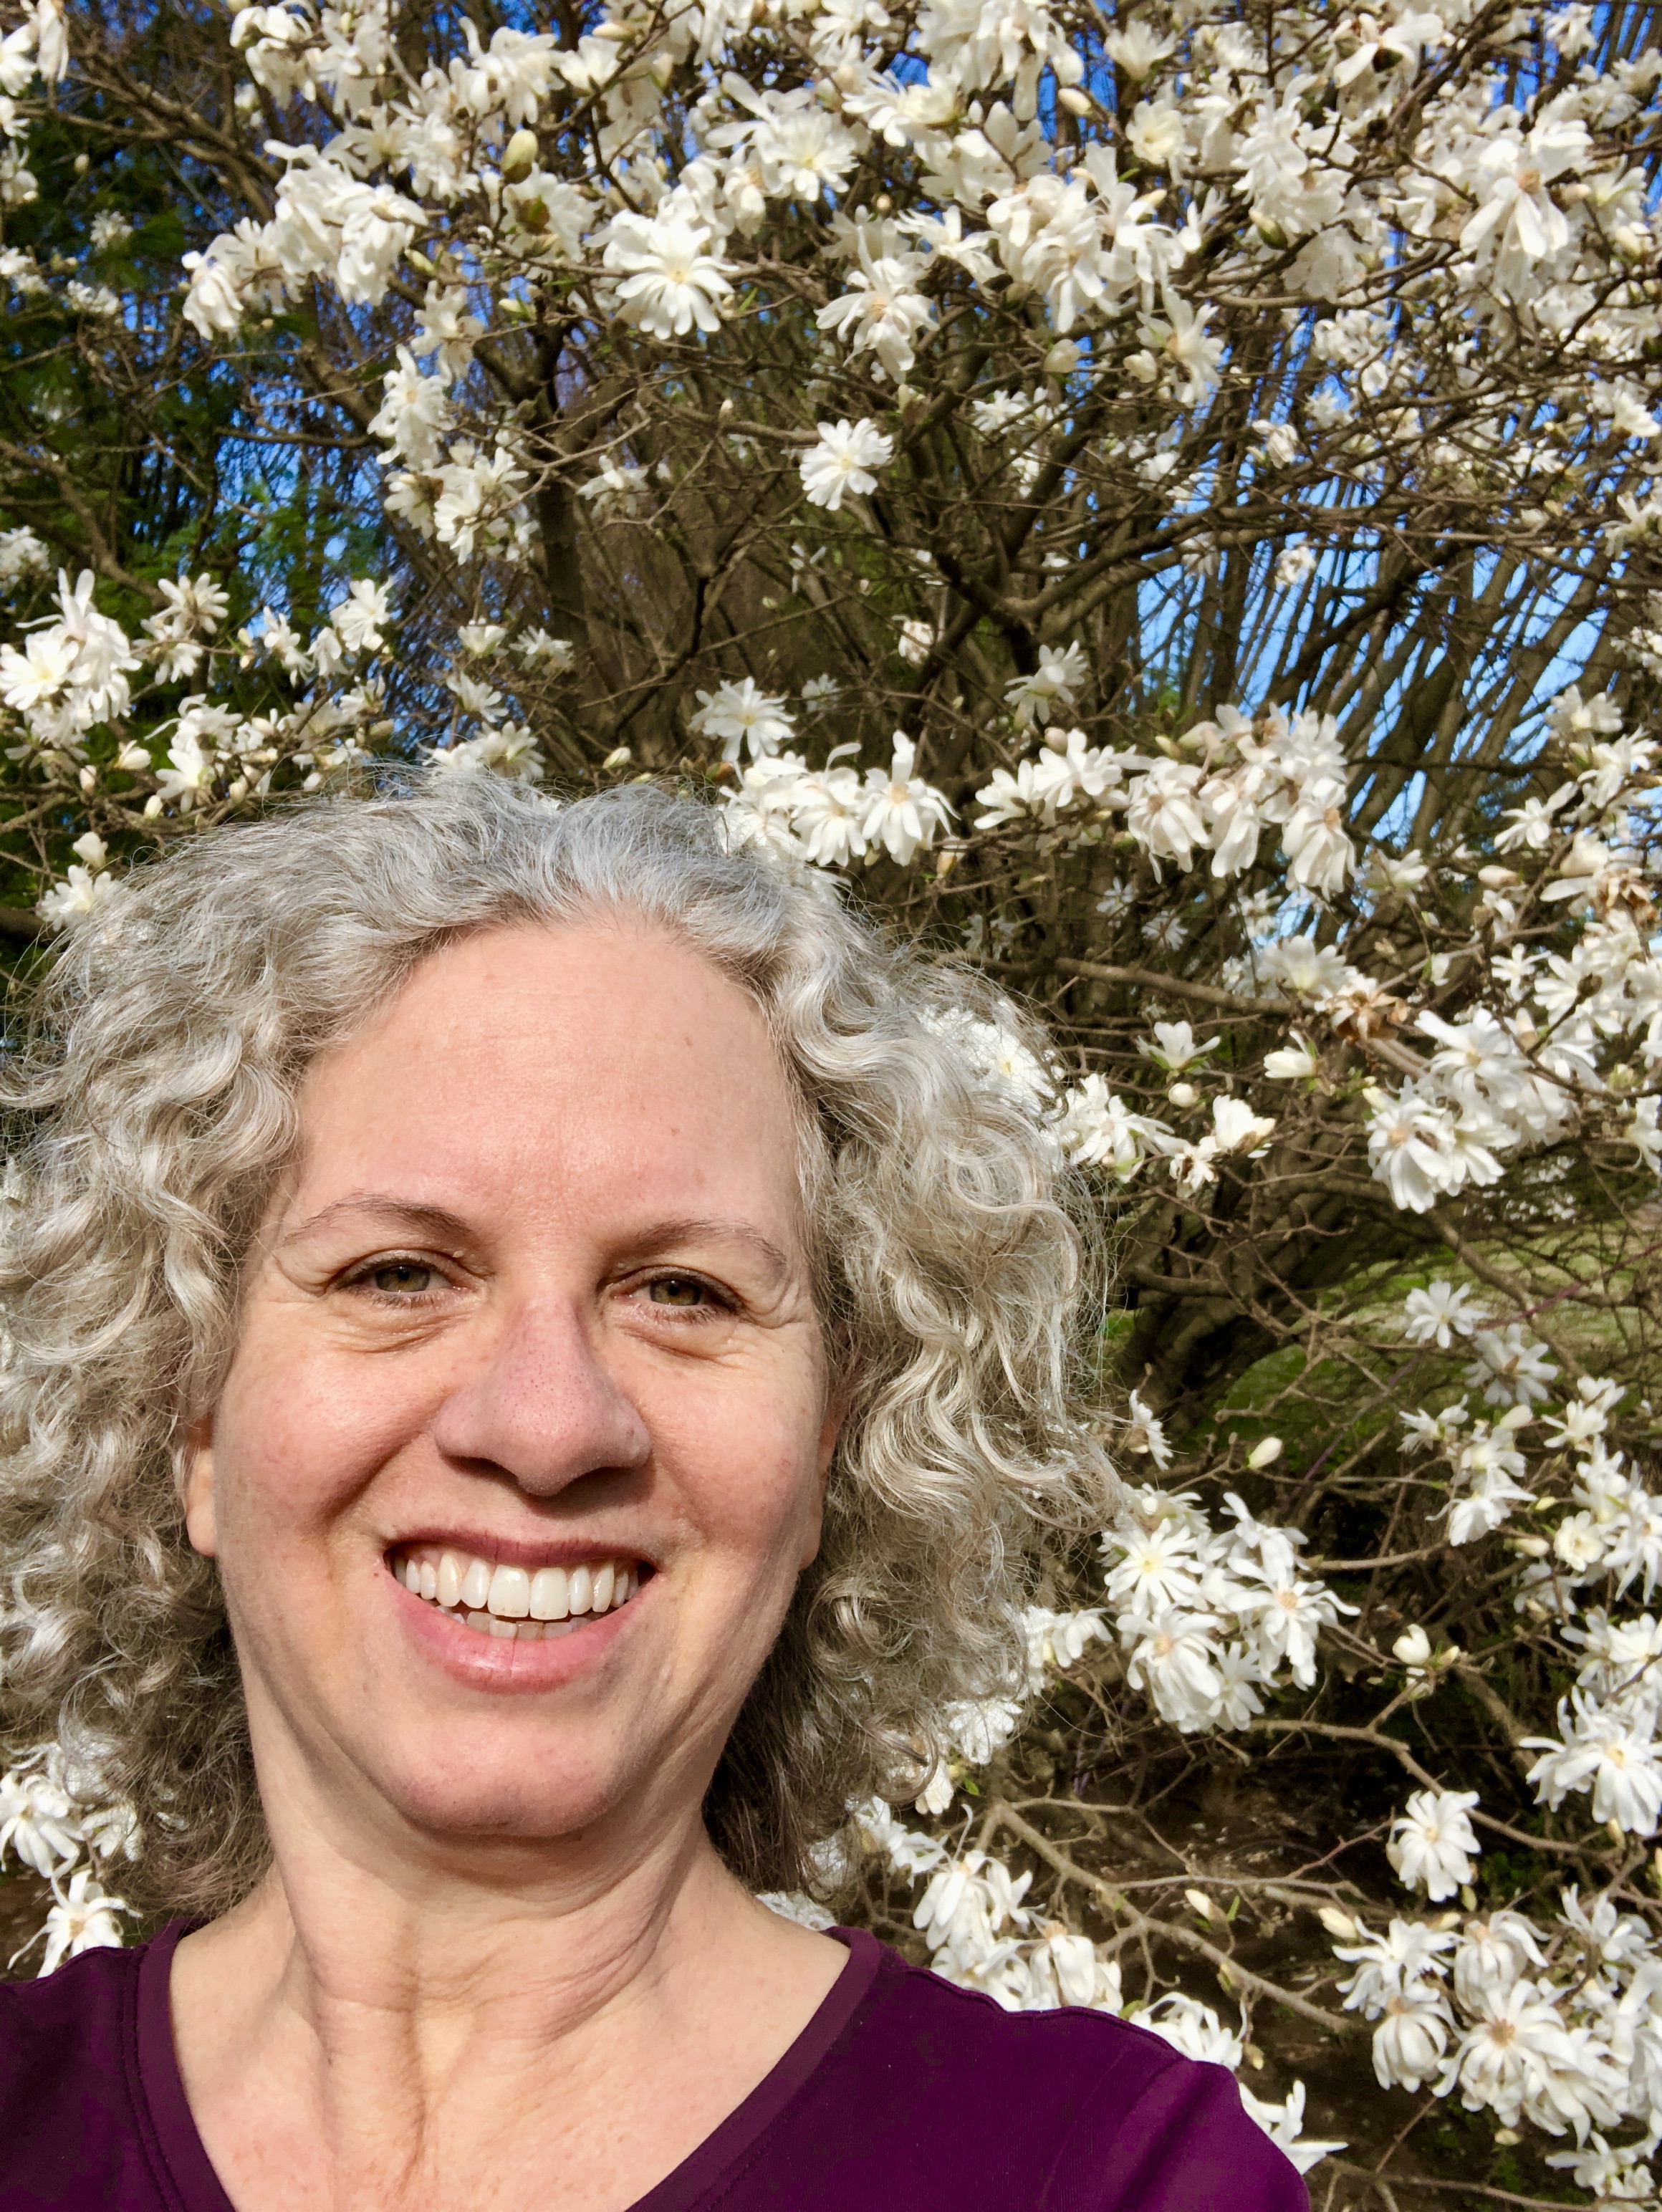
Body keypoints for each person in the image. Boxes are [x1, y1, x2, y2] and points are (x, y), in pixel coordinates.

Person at [0, 776, 1307, 2211]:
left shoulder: (1111, 2181)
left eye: (682, 1289)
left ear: (823, 1453)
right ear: (192, 1418)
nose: (550, 1422)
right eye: (397, 1273)